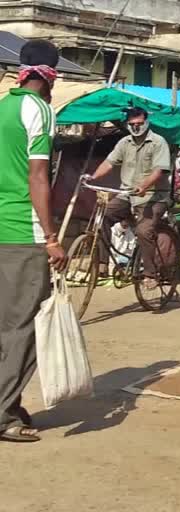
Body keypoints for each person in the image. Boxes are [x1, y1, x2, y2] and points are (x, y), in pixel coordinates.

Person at [0, 40, 67, 443]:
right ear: (50, 75)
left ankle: (10, 402)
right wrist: (52, 237)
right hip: (23, 231)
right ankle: (4, 415)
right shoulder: (38, 110)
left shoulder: (2, 106)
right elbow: (38, 177)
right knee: (23, 327)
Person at [89, 106, 172, 289]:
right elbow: (110, 162)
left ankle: (150, 274)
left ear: (147, 122)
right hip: (127, 195)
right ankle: (102, 263)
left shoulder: (158, 142)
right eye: (132, 124)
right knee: (101, 215)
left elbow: (159, 170)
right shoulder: (124, 143)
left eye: (139, 123)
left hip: (154, 197)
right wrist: (93, 177)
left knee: (143, 231)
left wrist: (144, 185)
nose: (136, 127)